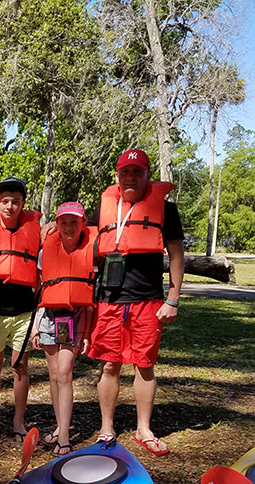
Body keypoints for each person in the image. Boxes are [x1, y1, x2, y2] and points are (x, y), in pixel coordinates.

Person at [86, 149, 183, 456]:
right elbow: (80, 239)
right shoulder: (103, 209)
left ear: (147, 176)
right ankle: (106, 427)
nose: (130, 177)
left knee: (144, 365)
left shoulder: (166, 210)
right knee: (110, 364)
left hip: (148, 301)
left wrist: (173, 298)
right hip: (109, 301)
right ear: (118, 175)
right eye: (125, 172)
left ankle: (143, 428)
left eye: (137, 172)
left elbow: (177, 255)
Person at [0, 177, 40, 442]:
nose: (10, 207)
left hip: (23, 307)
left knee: (20, 365)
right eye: (5, 202)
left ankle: (18, 421)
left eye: (15, 201)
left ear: (23, 204)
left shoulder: (36, 230)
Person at [30, 202, 96, 456]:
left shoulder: (91, 250)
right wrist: (36, 325)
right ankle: (60, 426)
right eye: (63, 222)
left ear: (83, 223)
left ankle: (65, 436)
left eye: (74, 222)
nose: (69, 227)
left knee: (65, 372)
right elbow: (39, 290)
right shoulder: (45, 250)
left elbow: (91, 298)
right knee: (55, 375)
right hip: (48, 316)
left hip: (76, 316)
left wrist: (89, 333)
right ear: (56, 224)